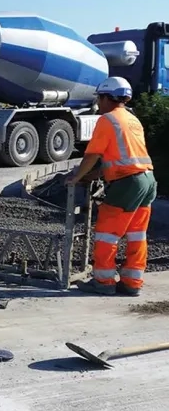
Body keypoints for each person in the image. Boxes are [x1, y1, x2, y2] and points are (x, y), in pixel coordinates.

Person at [65, 76, 157, 296]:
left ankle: (103, 282)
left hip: (127, 184)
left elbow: (92, 155)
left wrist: (76, 178)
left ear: (107, 98)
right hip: (147, 180)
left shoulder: (107, 120)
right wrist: (97, 174)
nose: (98, 103)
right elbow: (126, 159)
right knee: (137, 234)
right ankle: (132, 283)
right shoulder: (132, 119)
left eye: (99, 98)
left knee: (107, 233)